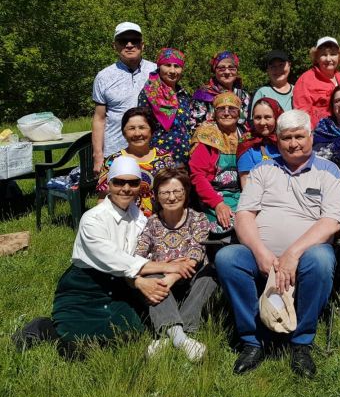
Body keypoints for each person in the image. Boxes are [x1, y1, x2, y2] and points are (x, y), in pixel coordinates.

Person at [215, 109, 340, 378]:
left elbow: (331, 222)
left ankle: (301, 342)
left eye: (299, 136)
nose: (294, 143)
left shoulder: (329, 172)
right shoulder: (263, 170)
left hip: (306, 254)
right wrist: (261, 253)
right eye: (287, 137)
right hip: (261, 254)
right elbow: (244, 216)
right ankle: (253, 340)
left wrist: (292, 254)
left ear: (311, 137)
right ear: (277, 139)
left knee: (322, 259)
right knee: (228, 258)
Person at [50, 156, 196, 356]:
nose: (126, 188)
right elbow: (116, 259)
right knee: (78, 345)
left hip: (120, 285)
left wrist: (171, 262)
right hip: (85, 287)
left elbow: (148, 252)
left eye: (133, 183)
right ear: (108, 184)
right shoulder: (92, 219)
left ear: (139, 187)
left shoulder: (139, 218)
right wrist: (165, 268)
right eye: (119, 182)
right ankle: (42, 329)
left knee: (130, 333)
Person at [136, 168, 216, 360]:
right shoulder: (152, 223)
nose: (171, 197)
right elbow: (138, 256)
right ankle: (182, 339)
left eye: (177, 191)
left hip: (190, 279)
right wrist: (170, 265)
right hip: (162, 282)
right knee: (150, 276)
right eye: (165, 193)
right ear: (156, 196)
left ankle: (171, 335)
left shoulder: (198, 219)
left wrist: (172, 275)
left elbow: (195, 255)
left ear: (186, 192)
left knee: (211, 272)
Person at [91, 22, 157, 175]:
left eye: (134, 40)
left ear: (142, 45)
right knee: (118, 196)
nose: (129, 45)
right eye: (123, 41)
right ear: (115, 46)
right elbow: (99, 118)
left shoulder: (156, 71)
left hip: (150, 150)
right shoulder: (103, 77)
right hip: (116, 151)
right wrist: (98, 155)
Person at [96, 107, 176, 217]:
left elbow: (175, 191)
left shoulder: (165, 158)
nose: (137, 133)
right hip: (124, 219)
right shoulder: (112, 161)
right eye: (131, 128)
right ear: (124, 132)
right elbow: (102, 197)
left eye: (142, 127)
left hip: (161, 219)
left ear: (151, 130)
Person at [189, 92, 243, 232]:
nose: (226, 113)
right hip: (213, 197)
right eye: (221, 109)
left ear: (239, 113)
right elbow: (198, 175)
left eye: (231, 109)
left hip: (242, 197)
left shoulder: (245, 135)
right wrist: (217, 204)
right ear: (214, 112)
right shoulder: (205, 134)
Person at [138, 48, 193, 165]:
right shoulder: (149, 93)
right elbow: (142, 126)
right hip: (157, 158)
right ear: (159, 67)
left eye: (177, 66)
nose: (172, 70)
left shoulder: (185, 95)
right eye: (167, 65)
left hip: (184, 159)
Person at [293, 37, 340, 128]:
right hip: (319, 134)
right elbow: (301, 113)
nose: (328, 59)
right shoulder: (305, 79)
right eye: (324, 55)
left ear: (339, 57)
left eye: (333, 54)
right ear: (316, 58)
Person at [191, 50, 251, 131]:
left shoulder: (243, 96)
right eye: (221, 68)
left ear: (236, 70)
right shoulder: (202, 94)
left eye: (231, 68)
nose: (227, 72)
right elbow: (195, 125)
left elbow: (248, 124)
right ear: (214, 70)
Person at [237, 97, 284, 188]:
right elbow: (247, 185)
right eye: (258, 118)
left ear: (277, 118)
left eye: (267, 117)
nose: (262, 123)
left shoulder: (287, 141)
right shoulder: (247, 144)